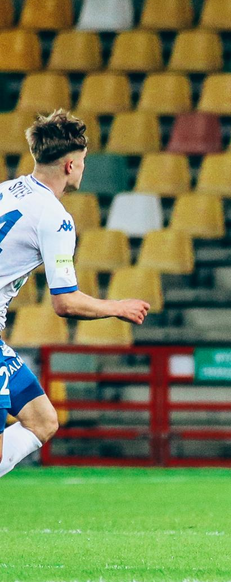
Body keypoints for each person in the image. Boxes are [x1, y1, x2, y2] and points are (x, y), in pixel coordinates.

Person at [0, 110, 151, 479]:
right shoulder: (55, 217)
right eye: (83, 161)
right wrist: (117, 306)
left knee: (42, 420)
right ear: (70, 165)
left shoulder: (6, 190)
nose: (83, 168)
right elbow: (65, 302)